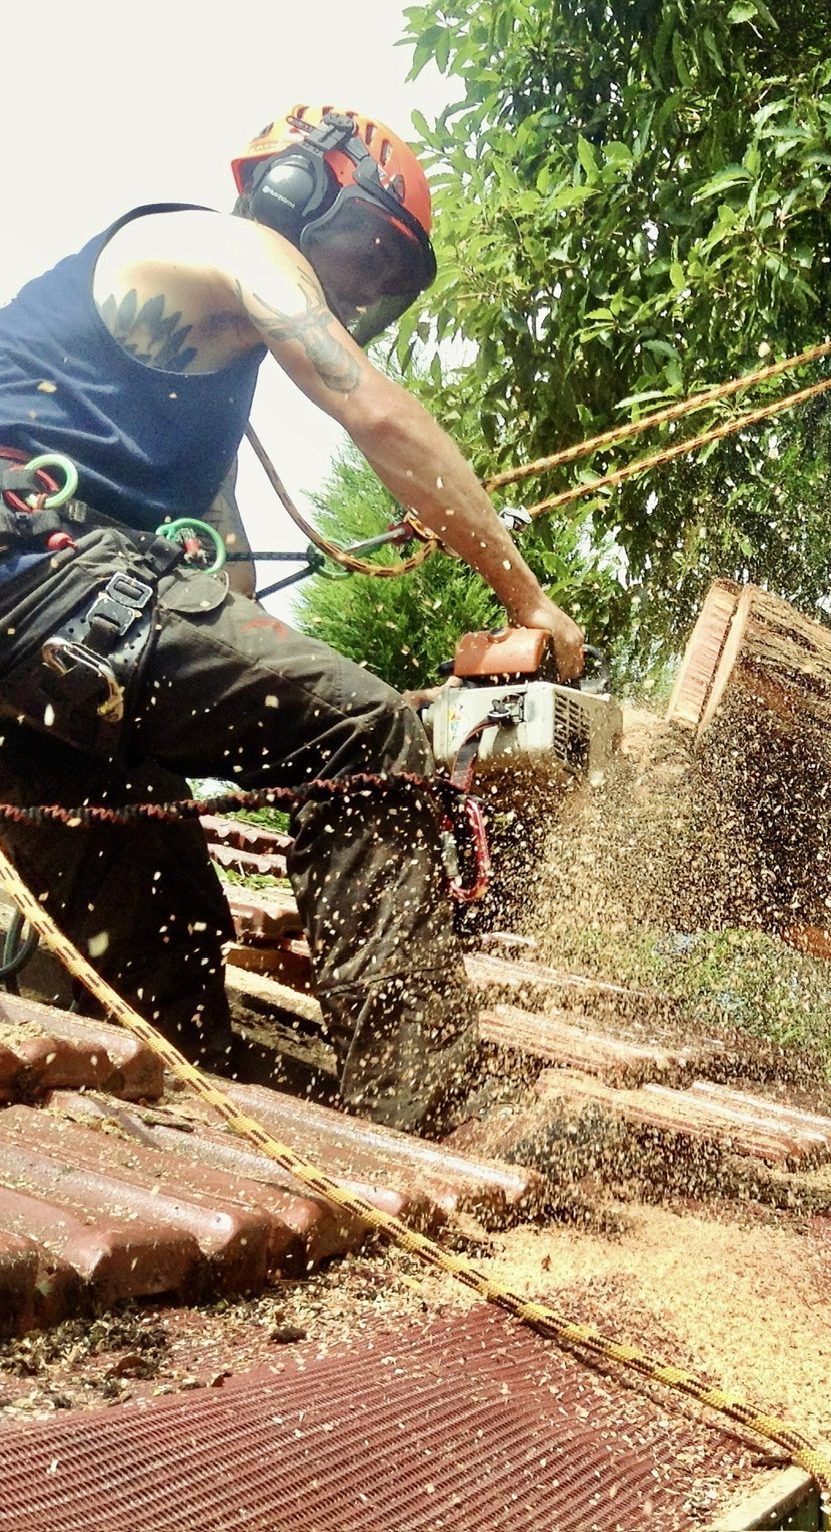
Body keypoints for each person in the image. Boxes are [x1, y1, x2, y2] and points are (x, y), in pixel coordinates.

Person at [0, 104, 584, 1134]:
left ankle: (172, 1142)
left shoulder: (195, 402)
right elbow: (378, 414)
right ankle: (439, 1108)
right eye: (365, 247)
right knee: (360, 733)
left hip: (57, 647)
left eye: (389, 278)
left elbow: (227, 615)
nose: (363, 289)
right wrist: (525, 599)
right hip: (48, 580)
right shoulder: (237, 248)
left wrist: (321, 697)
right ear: (293, 189)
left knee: (162, 955)